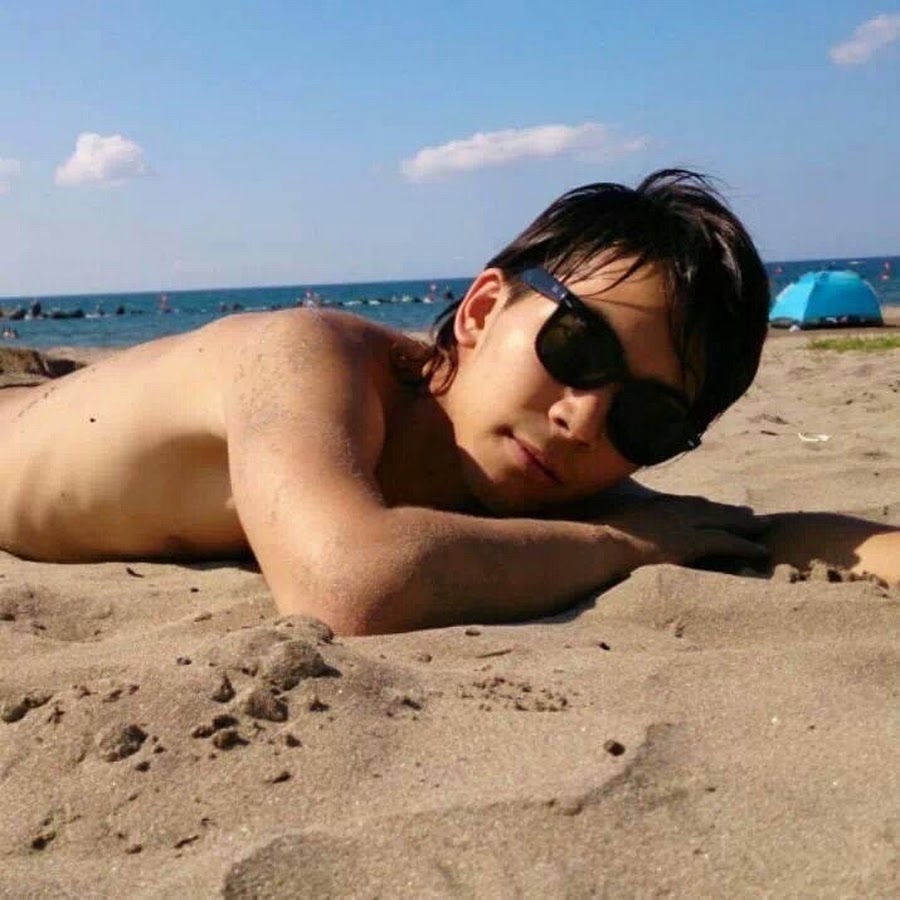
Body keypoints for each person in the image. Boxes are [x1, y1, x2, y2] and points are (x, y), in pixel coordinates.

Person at [0, 170, 896, 634]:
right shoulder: (305, 357)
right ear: (479, 310)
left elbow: (748, 534)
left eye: (650, 420)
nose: (584, 419)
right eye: (578, 347)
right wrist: (625, 545)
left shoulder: (548, 475)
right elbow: (349, 586)